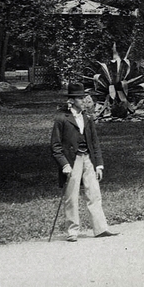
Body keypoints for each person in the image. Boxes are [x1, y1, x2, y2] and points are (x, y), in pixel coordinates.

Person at [49, 87, 116, 242]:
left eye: (84, 98)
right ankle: (72, 231)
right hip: (72, 160)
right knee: (71, 196)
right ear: (71, 101)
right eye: (80, 98)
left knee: (94, 193)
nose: (84, 101)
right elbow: (56, 146)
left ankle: (101, 228)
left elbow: (94, 142)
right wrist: (64, 164)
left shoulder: (87, 117)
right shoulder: (61, 119)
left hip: (88, 159)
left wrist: (99, 164)